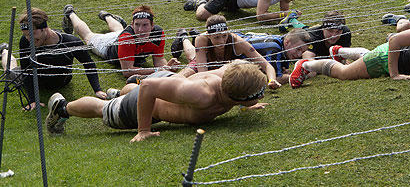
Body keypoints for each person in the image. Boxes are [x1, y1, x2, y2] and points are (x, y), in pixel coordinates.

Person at [45, 60, 269, 141]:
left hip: (171, 84)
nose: (262, 94)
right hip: (151, 98)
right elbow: (150, 87)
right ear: (240, 96)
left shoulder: (231, 77)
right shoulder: (203, 94)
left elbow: (238, 66)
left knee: (141, 90)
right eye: (259, 93)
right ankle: (62, 108)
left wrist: (249, 102)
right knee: (105, 110)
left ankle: (123, 91)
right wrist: (144, 129)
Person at [9, 8, 106, 111]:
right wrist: (33, 100)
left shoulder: (70, 42)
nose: (29, 39)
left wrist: (97, 90)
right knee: (10, 71)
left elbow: (88, 64)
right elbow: (26, 71)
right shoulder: (25, 42)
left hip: (62, 82)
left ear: (44, 28)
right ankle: (5, 52)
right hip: (37, 81)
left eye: (31, 35)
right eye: (26, 35)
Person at [61, 5, 176, 78]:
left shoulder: (158, 33)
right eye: (137, 25)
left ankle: (107, 16)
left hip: (122, 37)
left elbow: (159, 60)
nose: (141, 30)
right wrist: (157, 70)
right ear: (132, 25)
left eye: (145, 25)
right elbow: (127, 71)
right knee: (88, 37)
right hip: (108, 46)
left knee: (119, 31)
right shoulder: (127, 38)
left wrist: (167, 67)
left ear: (152, 26)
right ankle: (71, 14)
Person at [175, 16, 281, 87]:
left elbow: (266, 64)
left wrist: (272, 80)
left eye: (224, 36)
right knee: (183, 75)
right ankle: (183, 37)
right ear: (208, 35)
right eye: (216, 38)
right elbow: (203, 75)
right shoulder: (202, 39)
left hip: (223, 67)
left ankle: (183, 37)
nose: (221, 41)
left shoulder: (237, 42)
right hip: (207, 63)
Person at [237, 28, 310, 84]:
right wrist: (299, 76)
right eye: (298, 49)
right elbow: (277, 78)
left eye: (303, 52)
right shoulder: (274, 48)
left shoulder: (281, 42)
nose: (299, 54)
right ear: (287, 42)